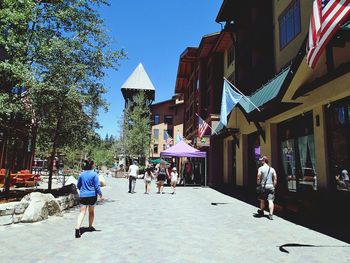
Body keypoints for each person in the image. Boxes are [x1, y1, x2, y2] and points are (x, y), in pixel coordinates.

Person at [75, 159, 103, 238]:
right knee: (91, 211)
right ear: (92, 165)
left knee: (82, 212)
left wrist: (83, 190)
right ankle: (90, 226)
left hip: (83, 195)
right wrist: (100, 194)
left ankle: (77, 229)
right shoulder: (94, 174)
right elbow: (97, 186)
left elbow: (78, 185)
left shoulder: (82, 174)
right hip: (92, 195)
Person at [256, 155, 277, 220]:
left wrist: (258, 182)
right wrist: (274, 186)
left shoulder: (260, 168)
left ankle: (262, 211)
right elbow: (275, 178)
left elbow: (259, 176)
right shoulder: (272, 169)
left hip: (263, 186)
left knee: (262, 200)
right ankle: (270, 214)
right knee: (270, 201)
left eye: (262, 160)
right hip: (271, 186)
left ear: (264, 161)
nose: (261, 161)